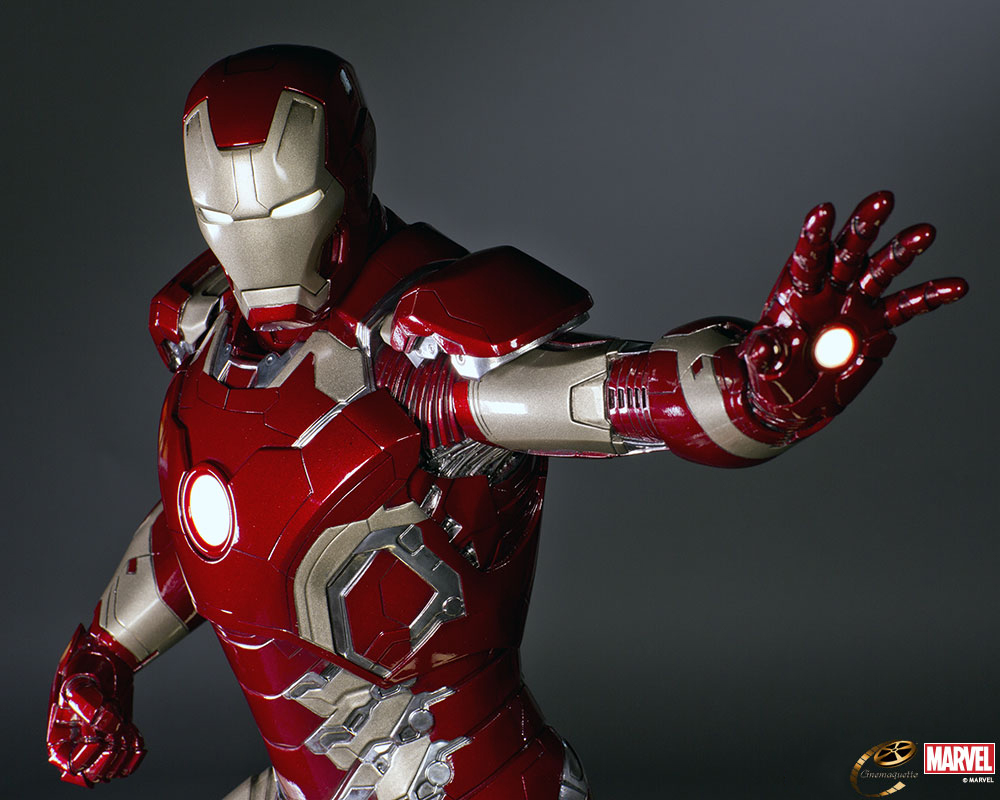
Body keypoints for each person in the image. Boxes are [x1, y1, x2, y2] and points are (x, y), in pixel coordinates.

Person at [45, 44, 967, 800]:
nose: (253, 241)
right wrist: (105, 653)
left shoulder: (426, 364)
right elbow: (214, 533)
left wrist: (753, 390)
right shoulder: (207, 337)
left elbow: (606, 391)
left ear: (348, 170)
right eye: (220, 210)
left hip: (468, 780)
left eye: (284, 204)